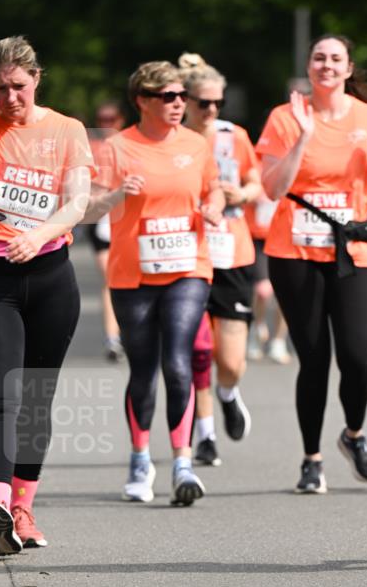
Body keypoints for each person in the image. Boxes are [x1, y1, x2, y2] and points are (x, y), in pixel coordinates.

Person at [257, 34, 367, 493]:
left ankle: (354, 435)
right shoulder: (285, 117)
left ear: (347, 69)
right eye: (319, 57)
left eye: (336, 58)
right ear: (309, 67)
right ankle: (312, 459)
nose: (327, 65)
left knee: (357, 356)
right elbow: (271, 188)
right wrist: (304, 137)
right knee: (314, 359)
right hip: (294, 253)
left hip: (352, 252)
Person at [0, 36, 93, 554]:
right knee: (0, 396)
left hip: (50, 275)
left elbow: (78, 200)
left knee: (37, 399)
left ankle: (23, 508)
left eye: (18, 86)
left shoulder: (66, 130)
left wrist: (39, 234)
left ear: (36, 79)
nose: (10, 98)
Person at [86, 61, 224, 504]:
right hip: (134, 273)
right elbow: (88, 208)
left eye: (182, 95)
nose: (179, 103)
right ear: (142, 101)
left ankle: (182, 464)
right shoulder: (118, 147)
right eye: (168, 96)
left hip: (188, 265)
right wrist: (116, 194)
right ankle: (140, 457)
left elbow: (214, 188)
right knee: (143, 370)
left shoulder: (196, 144)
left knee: (179, 362)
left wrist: (216, 207)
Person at [179, 53, 262, 464]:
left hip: (231, 252)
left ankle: (229, 392)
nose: (211, 110)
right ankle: (205, 434)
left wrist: (241, 195)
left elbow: (255, 182)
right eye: (203, 103)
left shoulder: (234, 136)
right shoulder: (172, 137)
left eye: (217, 103)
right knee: (196, 350)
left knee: (229, 361)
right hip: (186, 253)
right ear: (185, 101)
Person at [86, 101, 125, 362]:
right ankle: (112, 338)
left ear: (120, 120)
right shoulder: (91, 148)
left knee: (130, 280)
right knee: (110, 279)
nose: (106, 123)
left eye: (111, 118)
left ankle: (132, 332)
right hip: (101, 224)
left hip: (128, 225)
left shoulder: (132, 145)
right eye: (101, 118)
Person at [244, 186, 292, 364]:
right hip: (257, 237)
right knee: (263, 290)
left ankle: (278, 340)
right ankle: (256, 329)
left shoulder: (291, 162)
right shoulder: (253, 161)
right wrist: (253, 195)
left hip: (285, 237)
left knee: (285, 294)